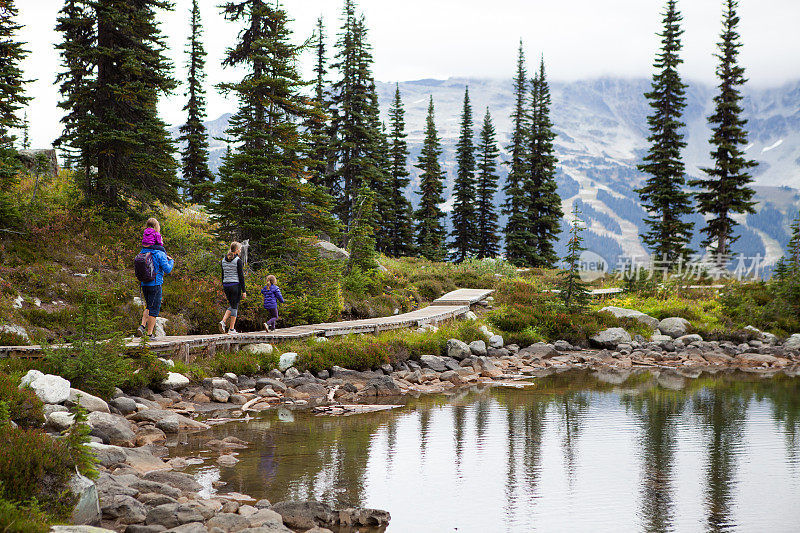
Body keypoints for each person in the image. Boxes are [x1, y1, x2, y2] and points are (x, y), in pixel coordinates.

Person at [135, 218, 174, 339]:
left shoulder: (143, 250)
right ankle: (149, 334)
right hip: (155, 284)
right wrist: (171, 261)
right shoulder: (160, 253)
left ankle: (142, 326)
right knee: (154, 310)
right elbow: (167, 269)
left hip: (144, 283)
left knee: (148, 305)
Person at [219, 241, 246, 334]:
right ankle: (231, 329)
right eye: (240, 249)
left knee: (232, 305)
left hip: (226, 285)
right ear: (237, 250)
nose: (241, 250)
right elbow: (241, 276)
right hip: (235, 285)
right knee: (235, 306)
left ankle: (223, 322)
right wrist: (244, 290)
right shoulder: (238, 260)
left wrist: (223, 284)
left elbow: (222, 275)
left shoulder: (223, 260)